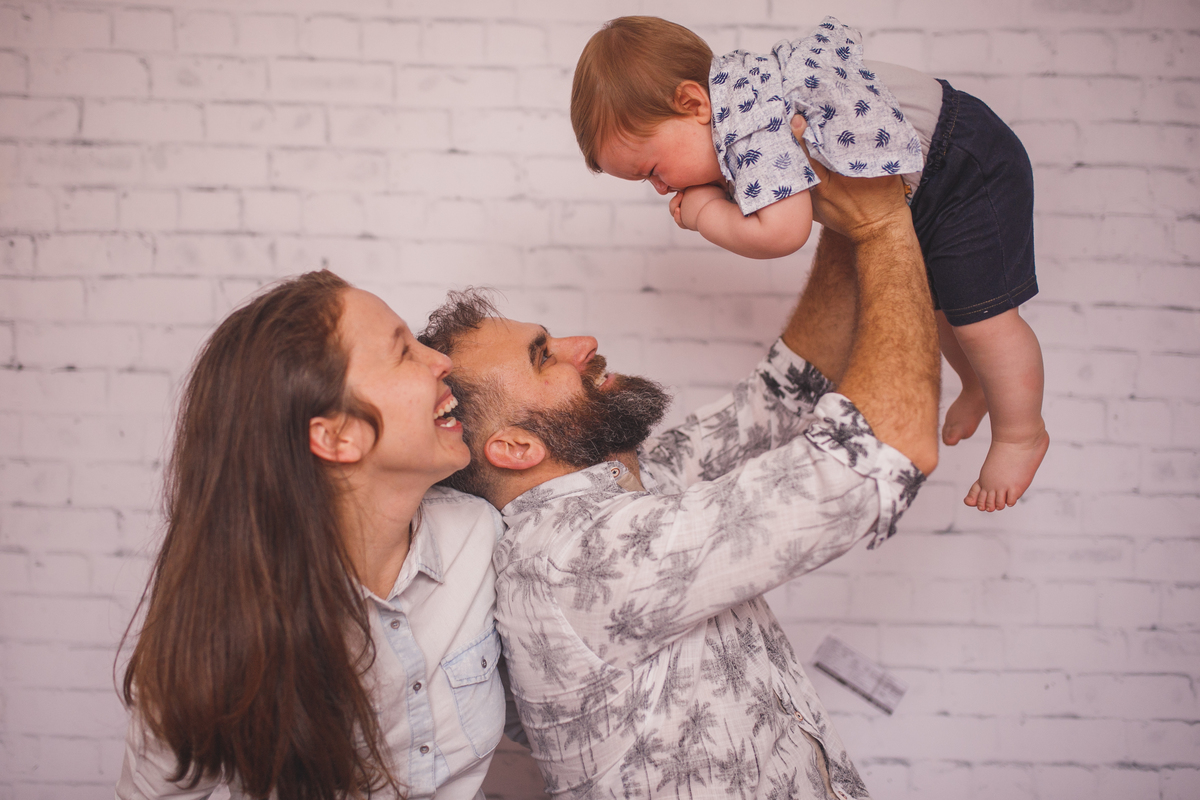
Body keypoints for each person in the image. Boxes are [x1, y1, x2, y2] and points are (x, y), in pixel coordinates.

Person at [417, 144, 940, 798]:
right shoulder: (581, 556)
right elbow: (877, 457)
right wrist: (883, 226)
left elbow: (782, 393)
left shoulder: (622, 493)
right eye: (544, 356)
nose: (583, 345)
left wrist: (842, 193)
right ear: (517, 447)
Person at [572, 15, 1049, 512]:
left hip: (961, 160)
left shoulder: (750, 123)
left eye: (652, 170)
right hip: (925, 175)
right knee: (944, 309)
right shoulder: (740, 104)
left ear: (694, 104)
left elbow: (783, 232)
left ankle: (1021, 434)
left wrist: (705, 214)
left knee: (984, 322)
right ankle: (978, 384)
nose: (661, 189)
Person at [117, 270, 510, 800]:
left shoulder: (481, 534)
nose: (441, 361)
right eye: (402, 352)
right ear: (337, 436)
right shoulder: (219, 631)